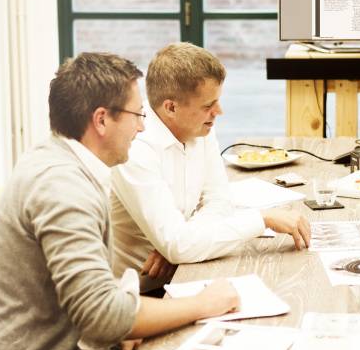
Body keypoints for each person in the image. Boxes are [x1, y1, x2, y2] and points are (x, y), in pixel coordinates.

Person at [0, 52, 240, 350]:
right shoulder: (63, 189)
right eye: (138, 116)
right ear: (102, 119)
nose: (142, 129)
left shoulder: (62, 162)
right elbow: (100, 316)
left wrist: (124, 317)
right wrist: (205, 303)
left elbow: (94, 303)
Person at [110, 43, 310, 291]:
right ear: (171, 107)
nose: (219, 112)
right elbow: (179, 246)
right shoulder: (135, 149)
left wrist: (181, 243)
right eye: (208, 106)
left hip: (193, 269)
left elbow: (219, 202)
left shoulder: (200, 129)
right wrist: (261, 219)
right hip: (140, 295)